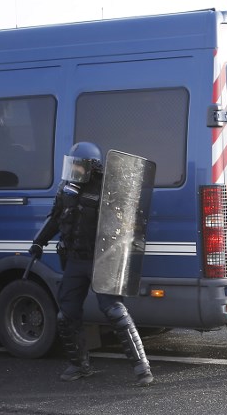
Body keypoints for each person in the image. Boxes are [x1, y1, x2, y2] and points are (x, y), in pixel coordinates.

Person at [28, 142, 154, 386]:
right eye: (72, 164)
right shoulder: (66, 189)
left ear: (92, 167)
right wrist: (38, 243)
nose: (74, 169)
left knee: (115, 311)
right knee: (66, 315)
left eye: (79, 165)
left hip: (101, 259)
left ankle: (141, 366)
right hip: (75, 259)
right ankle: (79, 365)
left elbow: (126, 223)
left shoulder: (108, 188)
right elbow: (54, 218)